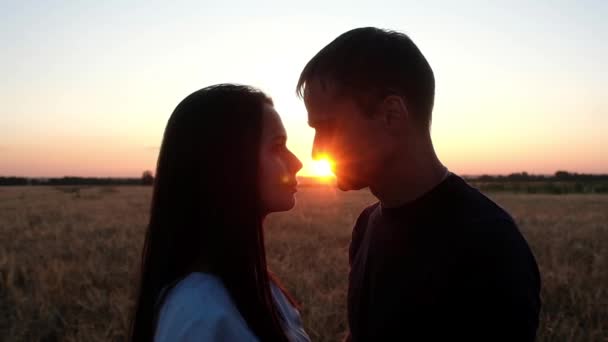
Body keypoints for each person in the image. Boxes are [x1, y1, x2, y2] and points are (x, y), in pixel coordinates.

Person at [297, 27, 541, 341]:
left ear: (392, 115)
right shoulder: (367, 225)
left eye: (327, 127)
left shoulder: (489, 245)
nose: (316, 151)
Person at [129, 84, 311, 342]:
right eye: (277, 146)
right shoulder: (199, 314)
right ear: (228, 162)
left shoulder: (257, 286)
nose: (297, 162)